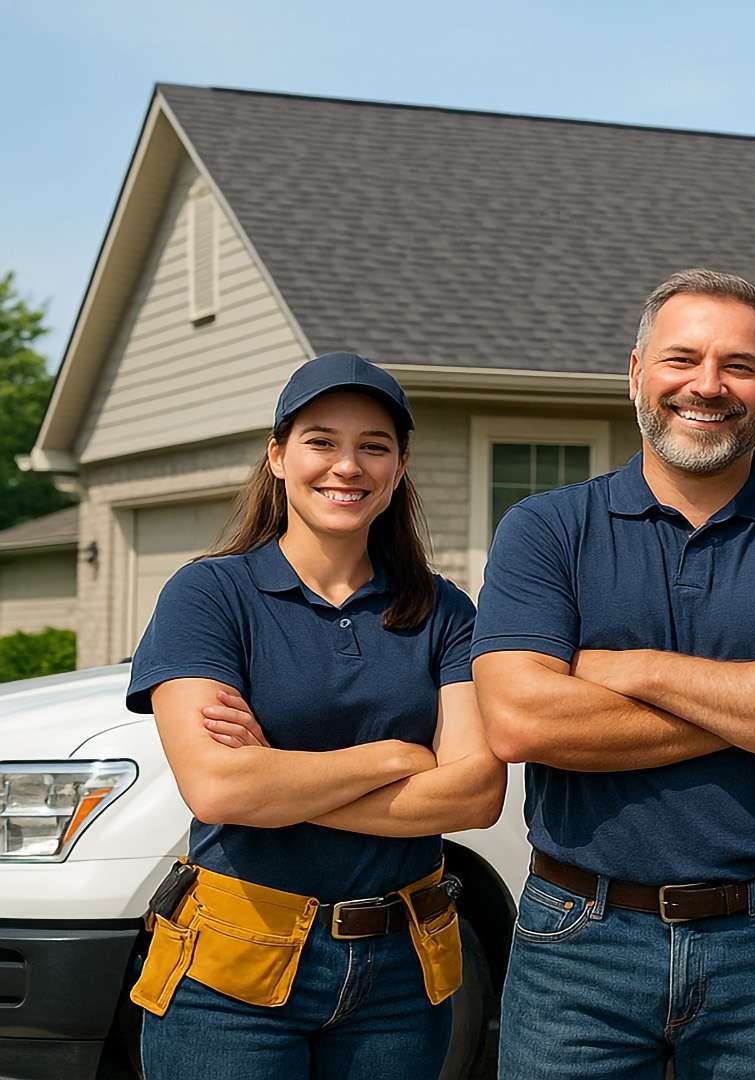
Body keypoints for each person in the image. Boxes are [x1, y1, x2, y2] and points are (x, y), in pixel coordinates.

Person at [472, 269, 755, 1078]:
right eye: (682, 358)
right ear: (636, 372)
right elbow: (521, 722)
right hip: (577, 938)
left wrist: (624, 670)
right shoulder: (547, 529)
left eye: (738, 366)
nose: (708, 385)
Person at [126, 352, 502, 1079]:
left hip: (401, 971)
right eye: (321, 441)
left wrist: (278, 784)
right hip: (235, 966)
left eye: (374, 447)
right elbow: (219, 791)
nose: (347, 466)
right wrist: (396, 757)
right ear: (277, 456)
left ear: (398, 469)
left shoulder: (443, 609)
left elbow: (477, 794)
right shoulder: (209, 596)